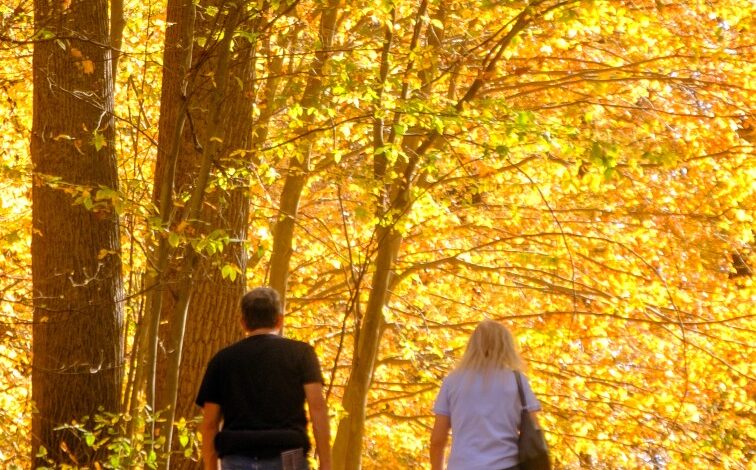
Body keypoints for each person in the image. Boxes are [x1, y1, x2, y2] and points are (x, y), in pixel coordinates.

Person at [196, 287, 332, 470]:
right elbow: (317, 408)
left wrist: (211, 467)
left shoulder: (222, 360)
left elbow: (210, 423)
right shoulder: (302, 354)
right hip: (288, 455)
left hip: (237, 457)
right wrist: (326, 463)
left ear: (243, 322)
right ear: (279, 320)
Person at [430, 320, 542, 470]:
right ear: (506, 346)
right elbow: (533, 429)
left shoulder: (453, 381)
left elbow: (438, 439)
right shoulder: (517, 381)